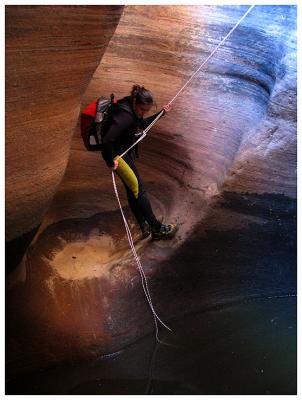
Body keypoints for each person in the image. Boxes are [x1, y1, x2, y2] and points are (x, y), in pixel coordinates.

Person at [101, 84, 178, 240]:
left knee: (132, 190)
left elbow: (142, 124)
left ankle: (144, 227)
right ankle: (157, 229)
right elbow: (107, 140)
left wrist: (161, 113)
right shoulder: (125, 116)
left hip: (123, 152)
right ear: (136, 102)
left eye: (146, 111)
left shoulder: (131, 106)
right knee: (139, 190)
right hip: (118, 156)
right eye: (143, 110)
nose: (143, 113)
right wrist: (110, 161)